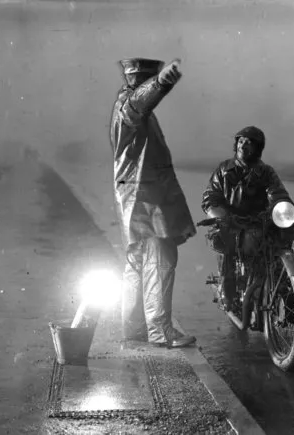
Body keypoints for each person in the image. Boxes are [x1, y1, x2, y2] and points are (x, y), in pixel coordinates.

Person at [110, 57, 196, 348]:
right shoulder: (130, 106)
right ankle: (160, 331)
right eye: (148, 80)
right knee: (161, 260)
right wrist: (161, 83)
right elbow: (140, 103)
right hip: (147, 200)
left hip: (136, 198)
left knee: (136, 263)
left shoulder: (127, 109)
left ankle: (133, 329)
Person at [201, 126, 291, 310]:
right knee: (227, 245)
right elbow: (210, 197)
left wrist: (280, 208)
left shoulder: (266, 172)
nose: (244, 145)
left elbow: (278, 194)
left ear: (258, 147)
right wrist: (222, 216)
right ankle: (228, 293)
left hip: (258, 221)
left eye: (249, 142)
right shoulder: (224, 169)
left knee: (279, 244)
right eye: (241, 141)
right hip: (230, 221)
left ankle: (284, 292)